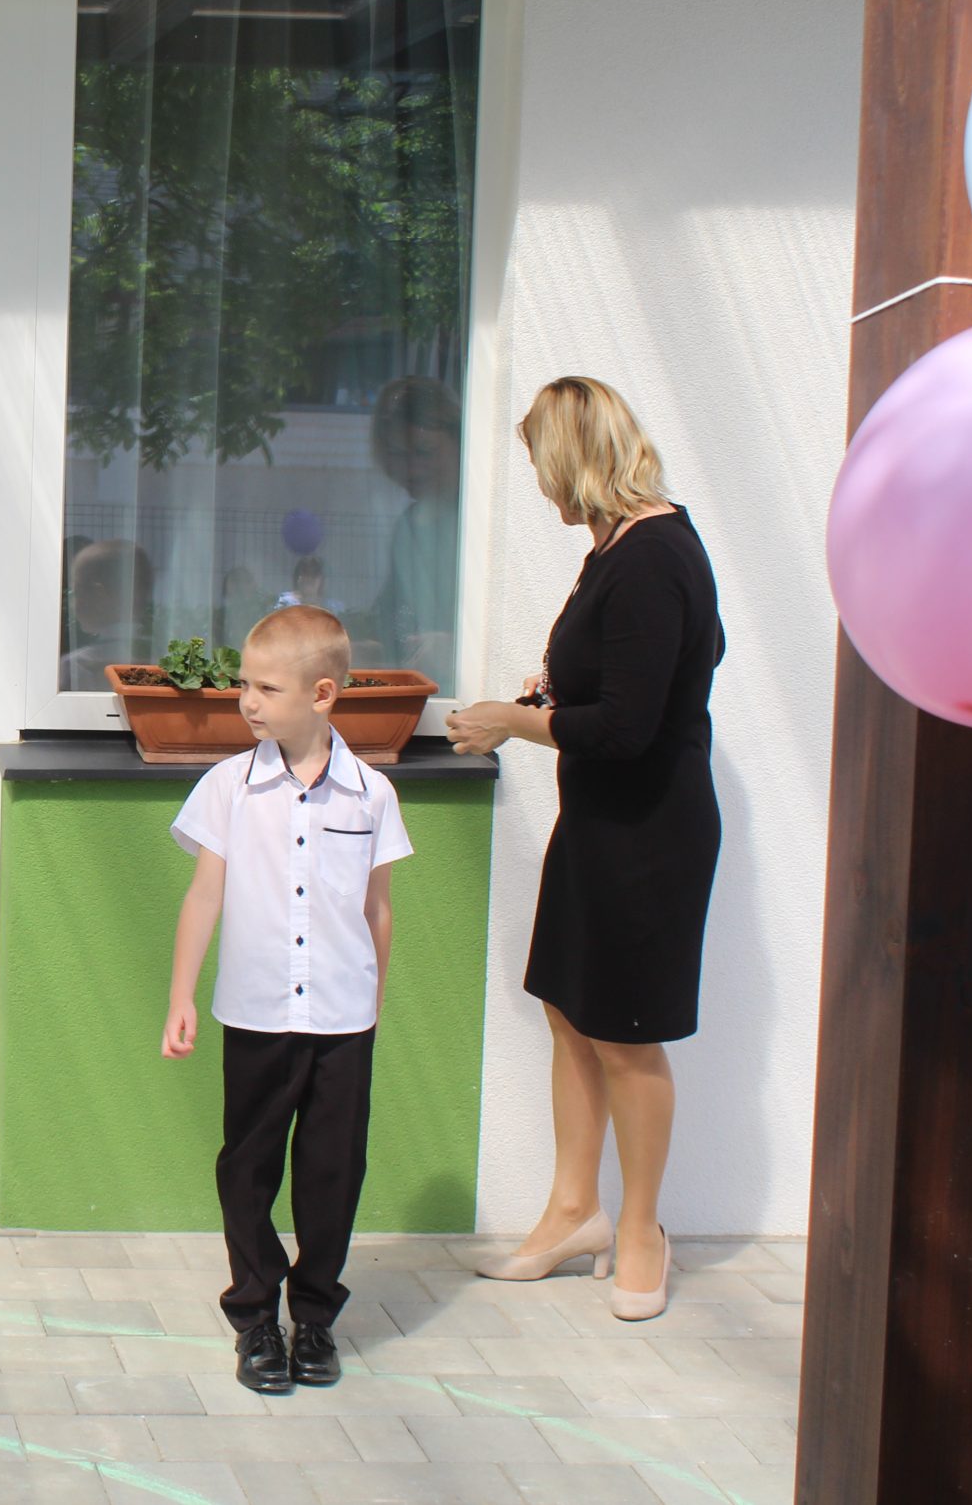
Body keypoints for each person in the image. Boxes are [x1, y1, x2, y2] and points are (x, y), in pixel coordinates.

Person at [444, 376, 722, 1322]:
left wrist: (513, 720)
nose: (539, 486)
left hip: (650, 832)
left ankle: (641, 1230)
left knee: (627, 1035)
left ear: (574, 461)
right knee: (572, 1011)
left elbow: (632, 729)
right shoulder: (617, 549)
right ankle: (574, 1210)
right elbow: (639, 674)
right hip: (600, 823)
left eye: (541, 465)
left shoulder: (652, 556)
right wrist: (556, 692)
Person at [160, 605, 413, 1394]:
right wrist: (182, 995)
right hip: (257, 1013)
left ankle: (316, 1317)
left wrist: (374, 1001)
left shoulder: (371, 795)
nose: (248, 700)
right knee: (248, 1165)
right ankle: (255, 1316)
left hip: (342, 1019)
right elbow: (204, 896)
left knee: (333, 1172)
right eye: (245, 684)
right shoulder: (228, 787)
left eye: (267, 688)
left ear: (323, 693)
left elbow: (377, 908)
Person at [369, 376, 463, 684]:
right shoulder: (409, 526)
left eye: (424, 451)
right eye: (398, 454)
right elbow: (394, 620)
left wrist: (455, 647)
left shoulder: (473, 523)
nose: (410, 467)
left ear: (459, 442)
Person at [59, 537, 154, 688]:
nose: (71, 603)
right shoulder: (163, 657)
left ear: (99, 595)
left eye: (75, 592)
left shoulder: (76, 666)